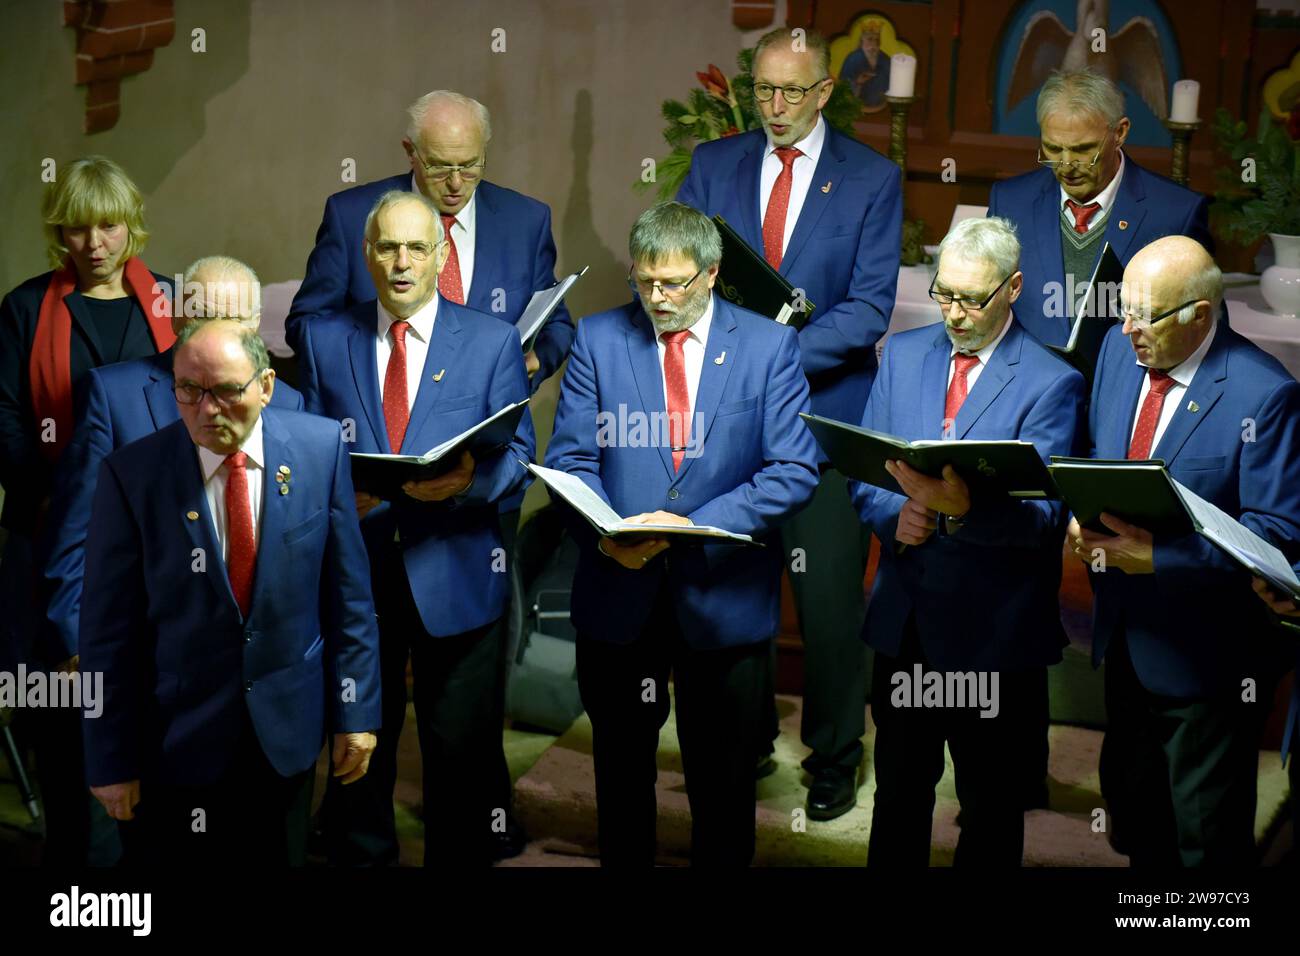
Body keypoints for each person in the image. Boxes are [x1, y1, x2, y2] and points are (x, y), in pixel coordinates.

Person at [287, 90, 565, 856]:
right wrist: (335, 490)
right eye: (387, 250)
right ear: (367, 253)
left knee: (460, 756)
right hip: (359, 573)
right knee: (360, 744)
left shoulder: (491, 343)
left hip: (459, 567)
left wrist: (468, 486)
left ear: (445, 257)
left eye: (418, 251)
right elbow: (306, 444)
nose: (403, 263)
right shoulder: (327, 341)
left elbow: (521, 457)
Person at [544, 202, 820, 865]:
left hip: (722, 597)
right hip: (619, 588)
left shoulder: (768, 346)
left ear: (713, 274)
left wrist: (695, 525)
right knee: (620, 773)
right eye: (645, 282)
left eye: (675, 283)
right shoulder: (599, 339)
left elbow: (793, 469)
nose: (658, 298)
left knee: (723, 781)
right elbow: (570, 460)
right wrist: (607, 533)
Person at [678, 26, 902, 819]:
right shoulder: (713, 165)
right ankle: (742, 742)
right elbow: (687, 278)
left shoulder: (872, 178)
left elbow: (869, 309)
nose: (774, 108)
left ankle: (837, 757)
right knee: (735, 592)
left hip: (823, 422)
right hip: (729, 424)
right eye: (762, 92)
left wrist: (770, 357)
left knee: (831, 605)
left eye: (791, 93)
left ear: (825, 93)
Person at [80, 320, 381, 866]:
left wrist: (355, 712)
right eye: (189, 391)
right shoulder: (132, 475)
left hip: (286, 735)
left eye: (225, 391)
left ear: (265, 386)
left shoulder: (319, 451)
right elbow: (106, 634)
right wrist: (109, 760)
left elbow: (349, 600)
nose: (206, 409)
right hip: (173, 742)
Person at [850, 217, 1085, 866]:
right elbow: (868, 475)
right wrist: (895, 514)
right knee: (897, 796)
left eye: (971, 299)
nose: (953, 312)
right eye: (943, 294)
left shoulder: (1050, 381)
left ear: (1012, 289)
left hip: (995, 640)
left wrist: (959, 513)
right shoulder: (901, 354)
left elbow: (1045, 521)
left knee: (989, 808)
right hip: (909, 628)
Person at [1067, 235, 1300, 866]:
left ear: (1200, 314)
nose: (1127, 331)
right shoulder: (1121, 357)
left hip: (1209, 660)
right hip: (1124, 641)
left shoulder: (1264, 396)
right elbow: (1099, 458)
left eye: (1146, 317)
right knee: (1139, 823)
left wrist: (1158, 559)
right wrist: (1078, 510)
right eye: (1125, 311)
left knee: (1206, 842)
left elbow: (1274, 542)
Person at [0, 155, 175, 866]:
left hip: (151, 544)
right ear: (59, 233)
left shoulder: (167, 302)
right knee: (63, 731)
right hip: (47, 540)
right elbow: (6, 421)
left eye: (107, 225)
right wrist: (68, 494)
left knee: (149, 730)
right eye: (76, 228)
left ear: (131, 224)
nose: (94, 242)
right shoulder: (23, 308)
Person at [43, 256, 304, 671]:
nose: (216, 328)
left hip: (261, 657)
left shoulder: (289, 403)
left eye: (231, 316)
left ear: (255, 323)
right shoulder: (112, 396)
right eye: (203, 314)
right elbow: (75, 532)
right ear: (179, 316)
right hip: (146, 650)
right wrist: (77, 644)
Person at [286, 89, 573, 388]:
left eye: (470, 165)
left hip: (489, 419)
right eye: (439, 166)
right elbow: (306, 326)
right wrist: (368, 373)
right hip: (381, 412)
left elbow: (557, 325)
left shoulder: (525, 222)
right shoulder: (351, 217)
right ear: (410, 152)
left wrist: (532, 364)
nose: (456, 183)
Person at [988, 69, 1213, 349]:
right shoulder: (1009, 201)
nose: (1066, 165)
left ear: (1120, 132)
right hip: (1026, 384)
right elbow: (989, 306)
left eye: (1083, 150)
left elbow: (1202, 328)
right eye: (1053, 149)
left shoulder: (1177, 213)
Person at [838, 20, 891, 109]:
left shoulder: (885, 60)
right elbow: (843, 85)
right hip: (856, 107)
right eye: (870, 39)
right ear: (862, 40)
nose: (873, 44)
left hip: (882, 108)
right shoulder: (853, 59)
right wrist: (858, 82)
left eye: (877, 40)